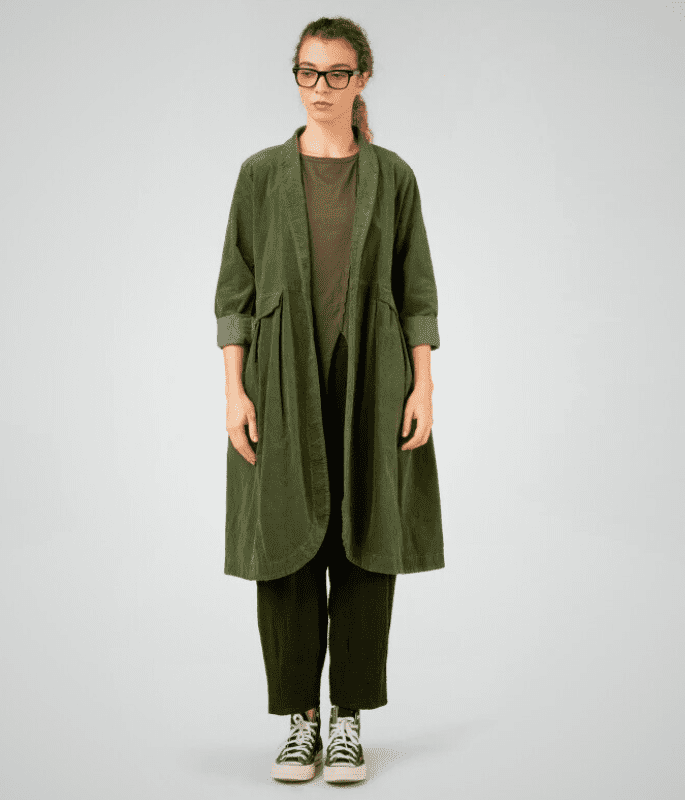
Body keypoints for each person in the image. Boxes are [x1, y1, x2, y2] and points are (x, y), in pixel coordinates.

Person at [214, 16, 445, 784]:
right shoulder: (260, 176)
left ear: (362, 78)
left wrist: (424, 385)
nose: (321, 87)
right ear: (296, 77)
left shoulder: (393, 177)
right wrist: (234, 393)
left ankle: (347, 719)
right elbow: (236, 293)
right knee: (284, 546)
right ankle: (299, 722)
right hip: (279, 383)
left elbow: (417, 291)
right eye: (308, 72)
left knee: (364, 542)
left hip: (373, 380)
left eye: (337, 73)